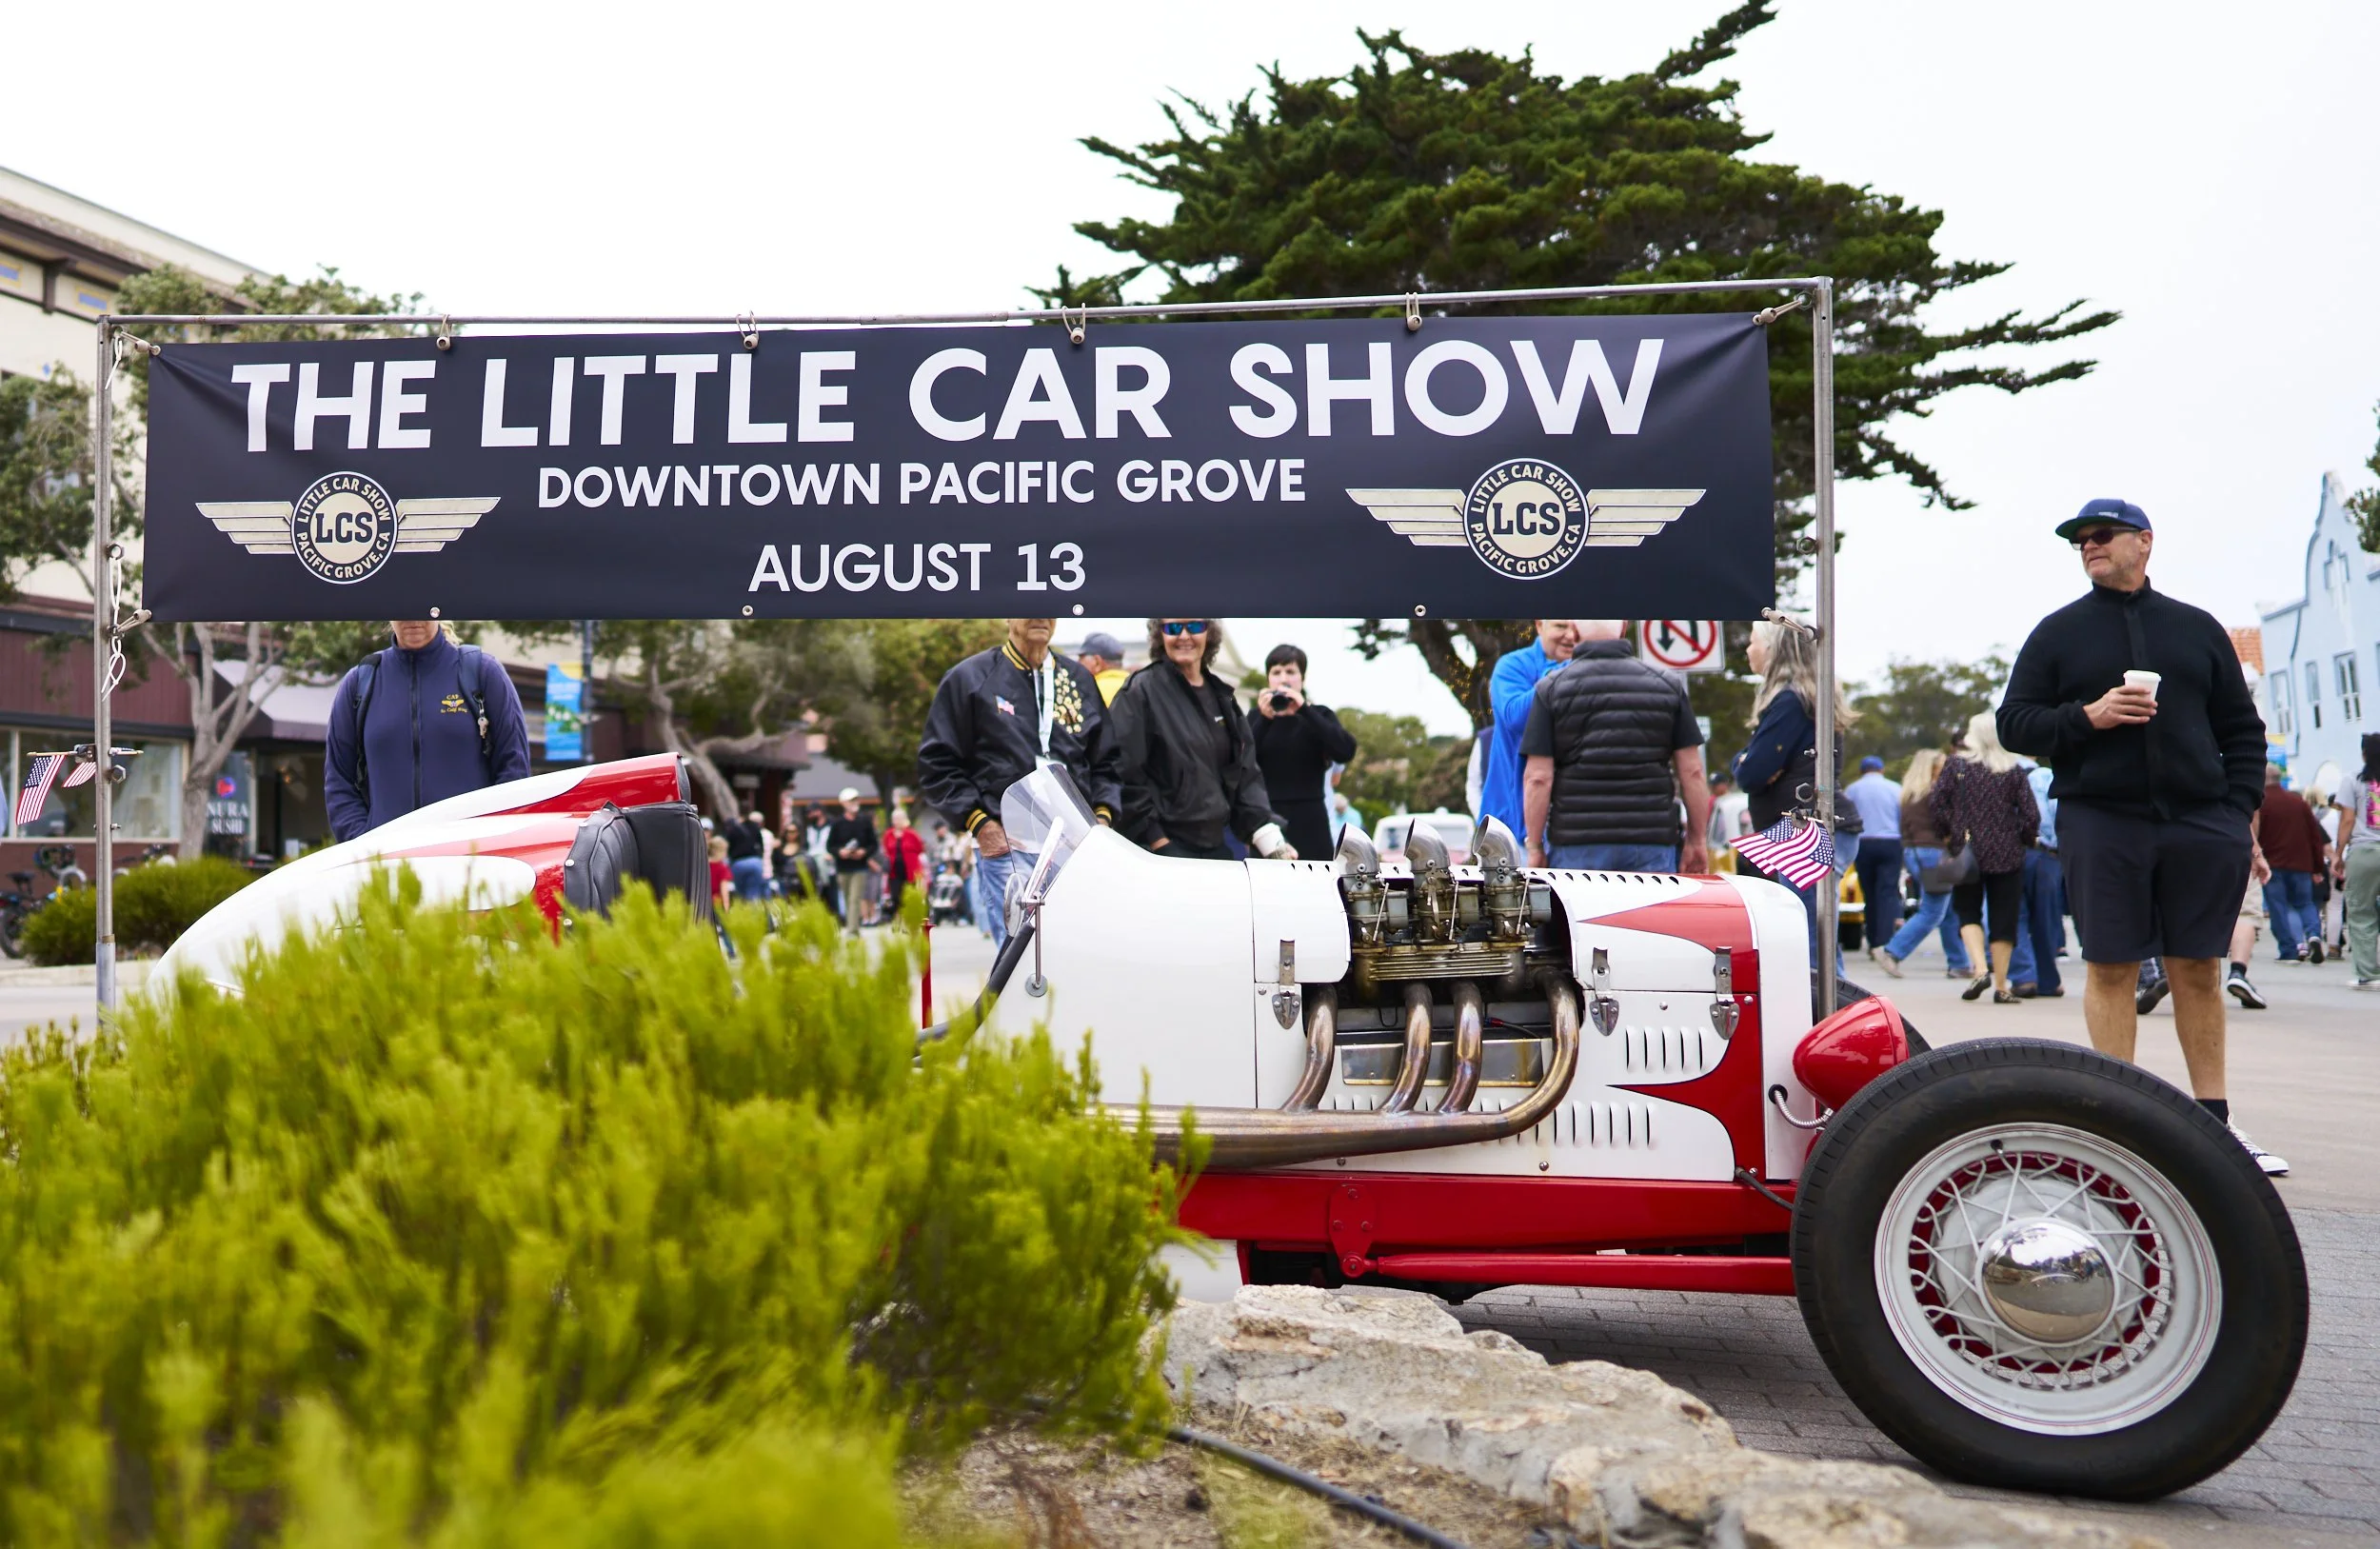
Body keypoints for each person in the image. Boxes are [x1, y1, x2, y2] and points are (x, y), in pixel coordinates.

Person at [1996, 497, 2283, 1175]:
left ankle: (2215, 1122)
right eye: (2080, 541)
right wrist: (2087, 716)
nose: (2089, 546)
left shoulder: (2196, 629)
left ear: (2144, 542)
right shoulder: (2057, 633)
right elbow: (2015, 724)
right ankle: (2116, 1124)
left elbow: (2242, 732)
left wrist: (2236, 814)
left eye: (2102, 536)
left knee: (2197, 967)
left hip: (2198, 821)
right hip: (2101, 818)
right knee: (2111, 965)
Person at [917, 617, 1123, 951]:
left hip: (1077, 849)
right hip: (1008, 848)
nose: (1039, 616)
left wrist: (1101, 820)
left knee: (1079, 952)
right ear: (1009, 616)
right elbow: (936, 763)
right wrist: (981, 824)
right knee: (1019, 960)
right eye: (1027, 607)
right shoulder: (970, 678)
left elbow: (1106, 761)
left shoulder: (1078, 679)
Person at [1518, 620, 1709, 872]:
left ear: (1574, 631)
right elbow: (1692, 772)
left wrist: (1535, 847)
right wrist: (1697, 840)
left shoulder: (1550, 689)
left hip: (1577, 844)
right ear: (1624, 627)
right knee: (1651, 913)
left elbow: (1538, 778)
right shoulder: (1668, 685)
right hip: (1651, 842)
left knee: (1585, 914)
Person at [325, 621, 532, 842]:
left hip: (470, 863)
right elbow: (339, 780)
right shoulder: (360, 683)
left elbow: (514, 770)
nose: (412, 618)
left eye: (422, 606)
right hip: (388, 865)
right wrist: (364, 846)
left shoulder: (483, 672)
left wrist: (487, 842)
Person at [1111, 619, 1295, 862]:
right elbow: (1122, 773)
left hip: (1217, 848)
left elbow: (1245, 775)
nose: (1184, 636)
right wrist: (1157, 841)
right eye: (1173, 628)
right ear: (1160, 635)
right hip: (1160, 852)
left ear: (1209, 633)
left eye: (1195, 627)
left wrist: (1273, 842)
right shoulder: (1140, 691)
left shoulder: (1223, 697)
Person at [1730, 617, 1856, 963]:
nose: (1748, 649)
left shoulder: (1789, 701)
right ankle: (1839, 1013)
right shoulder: (1808, 698)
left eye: (1753, 641)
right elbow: (1754, 767)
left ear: (1773, 650)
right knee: (1820, 946)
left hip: (1804, 829)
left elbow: (1751, 772)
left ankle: (1830, 1016)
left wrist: (1744, 761)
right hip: (1816, 827)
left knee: (1811, 952)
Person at [1931, 712, 2039, 1004]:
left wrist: (1948, 834)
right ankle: (2002, 986)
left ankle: (1979, 968)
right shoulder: (2014, 769)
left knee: (1967, 912)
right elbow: (2031, 815)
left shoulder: (1956, 766)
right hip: (2008, 853)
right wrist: (2024, 838)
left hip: (1966, 852)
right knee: (2005, 919)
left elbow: (1937, 805)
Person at [1870, 747, 1975, 979]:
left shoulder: (1910, 793)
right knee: (1932, 912)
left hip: (1915, 852)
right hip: (1936, 852)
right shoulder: (1937, 792)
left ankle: (1959, 963)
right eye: (1942, 765)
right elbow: (1949, 823)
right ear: (1932, 768)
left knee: (1945, 910)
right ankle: (1892, 951)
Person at [1248, 644, 1359, 861]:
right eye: (1276, 672)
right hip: (1268, 822)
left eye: (1291, 672)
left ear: (1302, 679)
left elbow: (1345, 751)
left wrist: (1305, 710)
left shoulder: (1319, 715)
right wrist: (1264, 719)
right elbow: (1241, 761)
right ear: (1268, 679)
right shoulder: (1255, 717)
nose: (1283, 679)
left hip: (1312, 821)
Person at [1479, 620, 1579, 837]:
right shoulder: (1511, 666)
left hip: (1573, 823)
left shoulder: (1589, 671)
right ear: (1540, 626)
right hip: (1513, 828)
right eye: (1561, 627)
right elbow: (1516, 717)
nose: (1571, 636)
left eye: (1577, 627)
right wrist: (1569, 671)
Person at [2255, 765, 2330, 963]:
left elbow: (2255, 833)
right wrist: (2317, 866)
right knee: (2305, 903)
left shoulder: (2261, 802)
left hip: (2272, 864)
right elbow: (2315, 836)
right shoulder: (2299, 802)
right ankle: (2314, 934)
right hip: (2301, 865)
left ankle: (2289, 949)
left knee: (2278, 907)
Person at [2009, 758, 2066, 998]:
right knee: (2046, 917)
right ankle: (2047, 979)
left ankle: (2023, 977)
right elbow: (2057, 813)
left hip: (2008, 854)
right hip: (2045, 854)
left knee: (2014, 916)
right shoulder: (2043, 776)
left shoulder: (1998, 772)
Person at [1842, 755, 1905, 950]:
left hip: (1863, 843)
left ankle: (1872, 938)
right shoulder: (1895, 788)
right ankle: (1883, 942)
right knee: (1887, 892)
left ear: (1862, 771)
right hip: (1890, 842)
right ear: (1882, 770)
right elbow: (1902, 817)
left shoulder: (1852, 789)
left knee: (1869, 892)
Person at [2337, 734, 2380, 988]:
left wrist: (2338, 853)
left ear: (2364, 754)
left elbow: (2347, 820)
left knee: (2361, 911)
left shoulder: (2352, 780)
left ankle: (2367, 973)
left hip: (2364, 852)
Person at [825, 788, 879, 932]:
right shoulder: (837, 823)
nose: (854, 803)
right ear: (843, 803)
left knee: (855, 898)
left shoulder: (865, 822)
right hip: (843, 867)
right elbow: (830, 846)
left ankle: (852, 930)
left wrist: (864, 852)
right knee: (848, 898)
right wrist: (840, 852)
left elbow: (874, 844)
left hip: (860, 867)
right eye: (850, 800)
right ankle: (852, 925)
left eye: (856, 799)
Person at [881, 806, 925, 917]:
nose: (897, 821)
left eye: (899, 818)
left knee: (910, 895)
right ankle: (898, 920)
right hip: (894, 871)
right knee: (896, 896)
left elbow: (920, 848)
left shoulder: (911, 834)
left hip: (911, 870)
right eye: (895, 819)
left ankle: (911, 918)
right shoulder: (888, 834)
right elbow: (886, 849)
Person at [724, 810, 769, 901]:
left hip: (738, 863)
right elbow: (761, 845)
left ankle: (743, 912)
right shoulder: (755, 826)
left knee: (740, 895)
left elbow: (728, 847)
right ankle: (753, 912)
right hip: (755, 862)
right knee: (754, 893)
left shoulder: (733, 828)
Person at [1077, 630, 1131, 705]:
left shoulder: (1089, 692)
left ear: (1097, 662)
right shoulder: (1135, 686)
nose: (1077, 663)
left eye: (1081, 659)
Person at [705, 834, 732, 912]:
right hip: (716, 904)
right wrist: (726, 908)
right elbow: (724, 890)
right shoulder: (722, 868)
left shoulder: (702, 865)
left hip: (702, 902)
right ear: (720, 852)